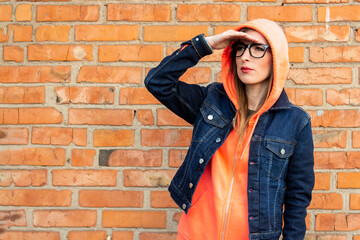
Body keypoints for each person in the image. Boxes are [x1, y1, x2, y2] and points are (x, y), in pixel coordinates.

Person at [145, 18, 314, 240]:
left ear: (276, 58)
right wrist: (208, 44)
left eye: (257, 49)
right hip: (195, 234)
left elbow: (297, 199)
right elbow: (157, 82)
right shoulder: (211, 101)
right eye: (240, 48)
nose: (245, 56)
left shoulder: (295, 122)